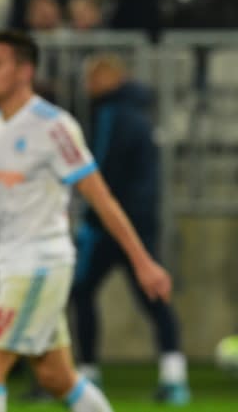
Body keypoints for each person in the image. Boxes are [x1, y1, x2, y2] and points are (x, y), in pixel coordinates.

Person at [0, 30, 171, 412]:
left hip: (40, 265)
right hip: (12, 264)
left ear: (25, 72)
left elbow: (101, 197)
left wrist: (143, 262)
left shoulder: (53, 126)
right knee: (56, 377)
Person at [72, 53, 190, 405]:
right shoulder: (141, 112)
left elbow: (98, 171)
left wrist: (91, 219)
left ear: (108, 78)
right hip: (143, 219)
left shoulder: (111, 114)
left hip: (117, 223)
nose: (87, 86)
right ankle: (175, 375)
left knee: (82, 291)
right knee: (153, 295)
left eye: (92, 78)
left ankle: (88, 373)